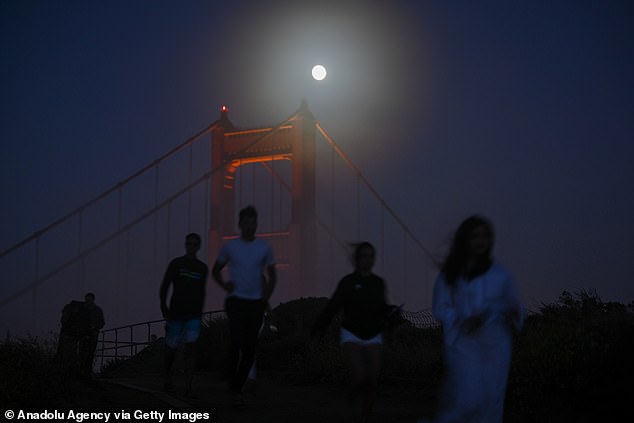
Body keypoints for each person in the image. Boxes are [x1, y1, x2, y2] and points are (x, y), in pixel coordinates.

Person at [422, 215, 524, 423]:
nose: (481, 241)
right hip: (463, 342)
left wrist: (509, 313)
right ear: (465, 240)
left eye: (486, 236)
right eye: (475, 236)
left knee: (492, 401)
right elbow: (440, 308)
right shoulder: (449, 275)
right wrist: (461, 319)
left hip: (496, 342)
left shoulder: (501, 274)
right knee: (468, 400)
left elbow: (514, 305)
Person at [312, 242, 396, 423]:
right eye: (364, 256)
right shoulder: (347, 282)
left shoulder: (378, 283)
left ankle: (365, 417)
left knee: (372, 379)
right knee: (359, 378)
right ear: (357, 259)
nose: (368, 260)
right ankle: (350, 402)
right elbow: (333, 306)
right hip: (351, 333)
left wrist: (392, 315)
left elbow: (381, 308)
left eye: (371, 256)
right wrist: (319, 329)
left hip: (373, 333)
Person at [212, 205, 277, 407]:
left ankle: (236, 388)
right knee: (236, 344)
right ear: (240, 224)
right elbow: (216, 270)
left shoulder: (264, 248)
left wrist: (265, 298)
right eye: (246, 223)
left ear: (256, 224)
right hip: (236, 302)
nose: (250, 227)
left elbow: (272, 275)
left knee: (249, 350)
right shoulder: (230, 247)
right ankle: (236, 387)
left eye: (253, 223)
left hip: (255, 304)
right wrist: (224, 285)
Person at [159, 232, 209, 397]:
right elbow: (165, 286)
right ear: (185, 244)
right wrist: (163, 307)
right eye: (189, 244)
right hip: (176, 313)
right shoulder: (176, 264)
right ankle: (167, 378)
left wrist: (200, 313)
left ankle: (188, 386)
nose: (191, 247)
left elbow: (202, 292)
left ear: (199, 246)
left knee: (191, 348)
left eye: (195, 244)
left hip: (193, 315)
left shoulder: (203, 268)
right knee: (171, 349)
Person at [77, 292, 105, 379]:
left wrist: (94, 327)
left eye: (89, 299)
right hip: (83, 335)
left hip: (92, 335)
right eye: (86, 299)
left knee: (90, 353)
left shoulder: (97, 310)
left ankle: (87, 372)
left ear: (93, 299)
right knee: (81, 353)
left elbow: (102, 323)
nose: (87, 301)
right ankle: (81, 372)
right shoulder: (82, 310)